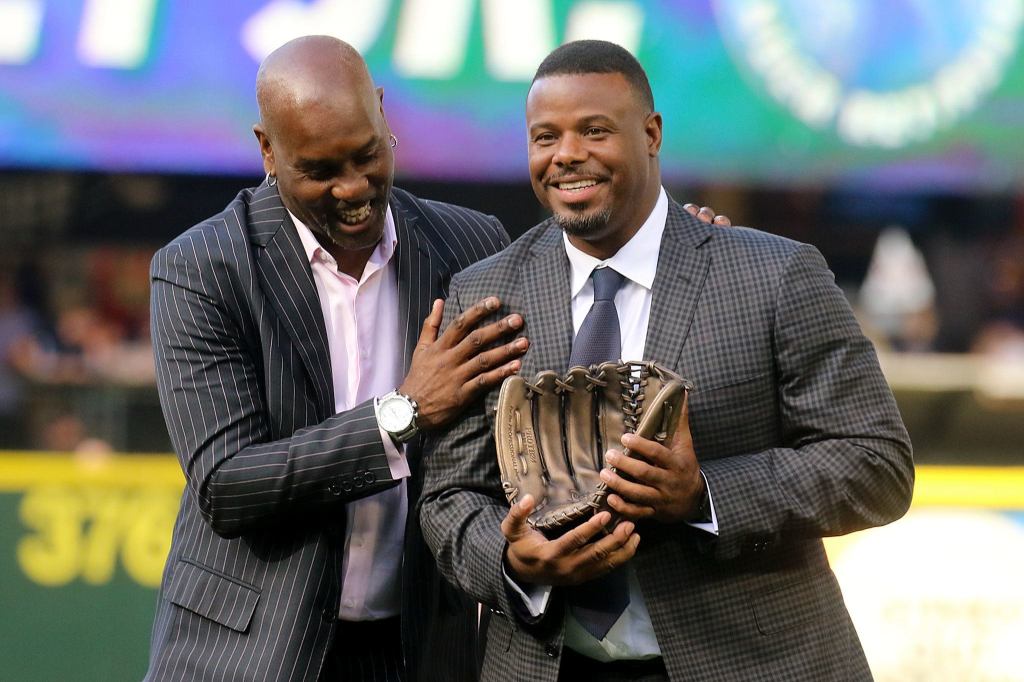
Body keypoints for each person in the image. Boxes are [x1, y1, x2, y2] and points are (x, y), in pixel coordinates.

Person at [419, 40, 914, 682]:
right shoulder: (486, 293)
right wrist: (514, 563)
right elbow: (448, 496)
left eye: (594, 130)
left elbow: (877, 464)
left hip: (752, 662)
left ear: (651, 134)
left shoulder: (776, 274)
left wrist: (703, 493)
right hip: (549, 665)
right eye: (546, 137)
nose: (567, 154)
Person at [144, 35, 531, 682]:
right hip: (248, 653)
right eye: (321, 171)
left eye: (367, 155)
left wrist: (677, 243)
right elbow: (227, 484)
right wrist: (402, 416)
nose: (354, 188)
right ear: (267, 150)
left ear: (382, 112)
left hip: (419, 649)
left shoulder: (472, 243)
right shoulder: (201, 269)